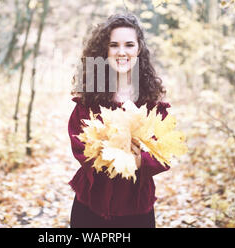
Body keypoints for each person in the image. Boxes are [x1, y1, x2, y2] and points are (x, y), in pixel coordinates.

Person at [68, 13, 171, 228]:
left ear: (139, 49)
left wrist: (141, 161)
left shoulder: (151, 100)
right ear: (105, 50)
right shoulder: (91, 95)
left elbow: (165, 151)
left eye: (129, 45)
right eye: (114, 45)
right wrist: (114, 154)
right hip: (91, 203)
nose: (121, 52)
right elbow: (79, 141)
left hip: (135, 206)